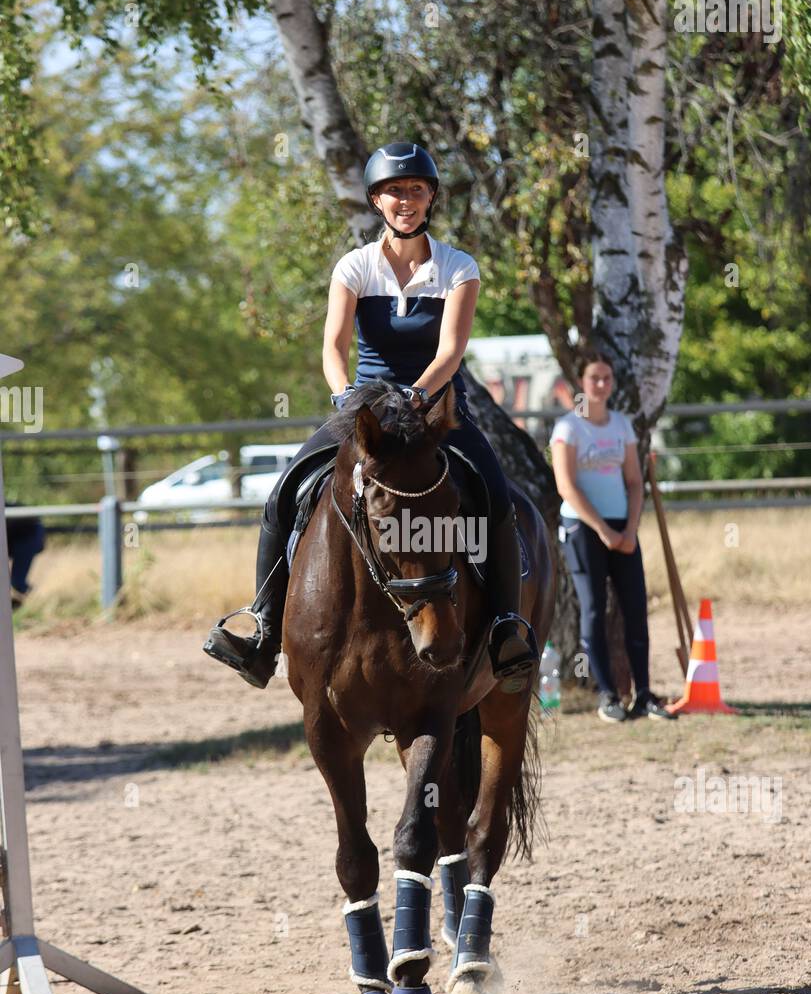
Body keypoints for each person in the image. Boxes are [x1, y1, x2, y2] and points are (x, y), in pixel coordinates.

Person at [204, 140, 538, 691]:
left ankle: (504, 624)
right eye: (392, 191)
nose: (404, 200)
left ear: (431, 197)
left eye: (414, 189)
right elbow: (334, 346)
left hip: (434, 408)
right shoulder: (354, 266)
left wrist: (416, 399)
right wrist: (344, 396)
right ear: (376, 201)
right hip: (364, 407)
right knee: (284, 491)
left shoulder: (458, 267)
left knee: (495, 495)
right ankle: (263, 626)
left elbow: (450, 352)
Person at [550, 351, 674, 723]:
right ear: (581, 384)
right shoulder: (568, 429)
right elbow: (566, 486)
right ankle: (607, 695)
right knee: (593, 609)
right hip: (583, 528)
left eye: (607, 378)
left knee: (636, 608)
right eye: (594, 378)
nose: (601, 385)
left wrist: (629, 529)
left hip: (624, 526)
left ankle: (645, 694)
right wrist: (604, 531)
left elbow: (635, 482)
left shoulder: (621, 426)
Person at [6, 508, 45, 609]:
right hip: (24, 533)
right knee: (16, 583)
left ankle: (39, 603)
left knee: (17, 582)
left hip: (28, 534)